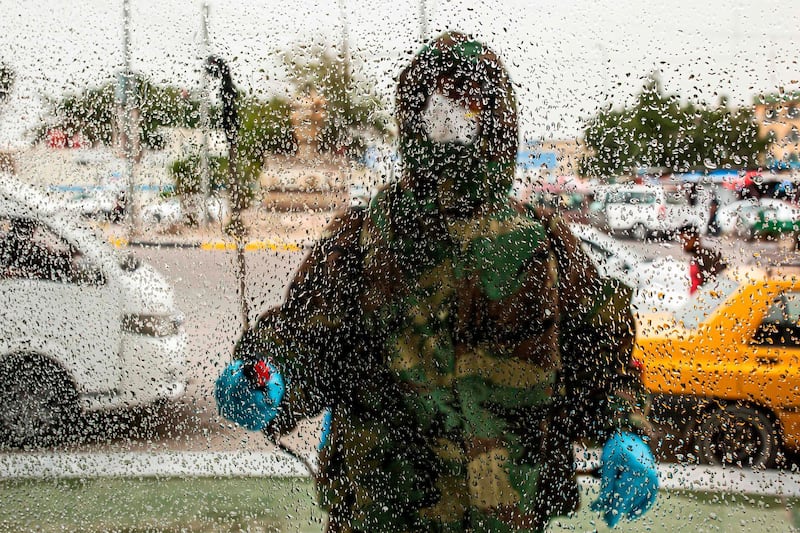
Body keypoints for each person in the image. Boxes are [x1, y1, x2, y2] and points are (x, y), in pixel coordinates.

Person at [216, 32, 658, 532]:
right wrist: (270, 377)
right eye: (436, 106)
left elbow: (601, 356)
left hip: (508, 516)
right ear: (412, 118)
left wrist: (626, 431)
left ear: (498, 119)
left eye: (468, 106)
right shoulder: (364, 240)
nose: (451, 125)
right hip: (382, 515)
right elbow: (307, 346)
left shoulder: (543, 245)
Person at [679, 225, 727, 294]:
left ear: (695, 238)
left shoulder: (707, 257)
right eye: (681, 241)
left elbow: (717, 282)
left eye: (685, 240)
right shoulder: (696, 257)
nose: (683, 245)